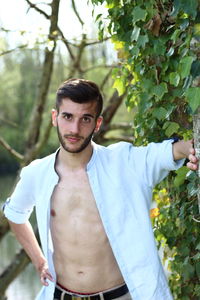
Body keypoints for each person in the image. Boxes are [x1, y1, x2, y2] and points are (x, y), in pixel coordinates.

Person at [3, 78, 198, 300]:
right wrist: (39, 261)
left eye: (85, 119)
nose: (74, 129)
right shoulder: (37, 173)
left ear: (97, 123)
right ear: (55, 118)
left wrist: (191, 150)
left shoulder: (124, 162)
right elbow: (14, 213)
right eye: (68, 117)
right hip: (60, 295)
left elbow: (168, 151)